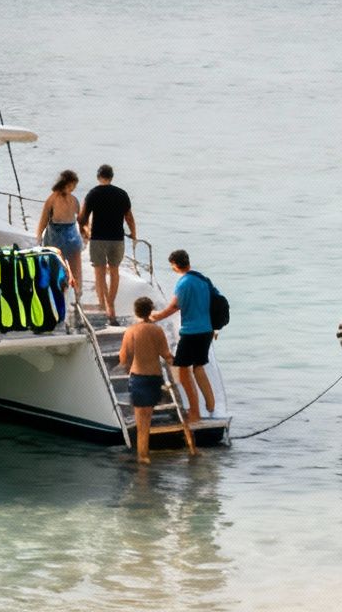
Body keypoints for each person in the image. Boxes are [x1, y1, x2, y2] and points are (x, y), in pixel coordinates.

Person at [150, 249, 216, 423]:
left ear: (175, 264)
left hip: (191, 331)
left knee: (183, 371)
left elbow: (173, 307)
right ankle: (210, 405)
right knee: (198, 367)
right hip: (206, 330)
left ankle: (194, 413)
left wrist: (156, 316)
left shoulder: (183, 283)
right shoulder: (202, 280)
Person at [116, 295, 172, 463]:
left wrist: (124, 367)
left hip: (139, 378)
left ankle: (143, 456)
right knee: (147, 419)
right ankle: (145, 454)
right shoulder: (157, 330)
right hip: (154, 378)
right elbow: (166, 355)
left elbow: (123, 357)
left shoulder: (131, 331)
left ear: (136, 312)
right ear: (150, 311)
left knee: (141, 424)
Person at [79, 164, 136, 322]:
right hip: (117, 238)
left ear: (98, 177)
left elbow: (83, 217)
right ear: (111, 177)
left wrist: (85, 231)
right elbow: (129, 217)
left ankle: (103, 304)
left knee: (99, 273)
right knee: (115, 271)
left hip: (98, 238)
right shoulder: (121, 194)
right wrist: (134, 234)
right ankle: (111, 305)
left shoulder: (93, 194)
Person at [36, 170, 85, 295]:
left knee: (76, 268)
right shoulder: (52, 199)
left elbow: (81, 220)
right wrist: (38, 237)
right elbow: (43, 220)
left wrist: (85, 234)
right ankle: (58, 292)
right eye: (71, 185)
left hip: (72, 235)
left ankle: (78, 294)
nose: (73, 188)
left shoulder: (74, 200)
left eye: (74, 186)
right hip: (55, 236)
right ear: (64, 183)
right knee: (56, 267)